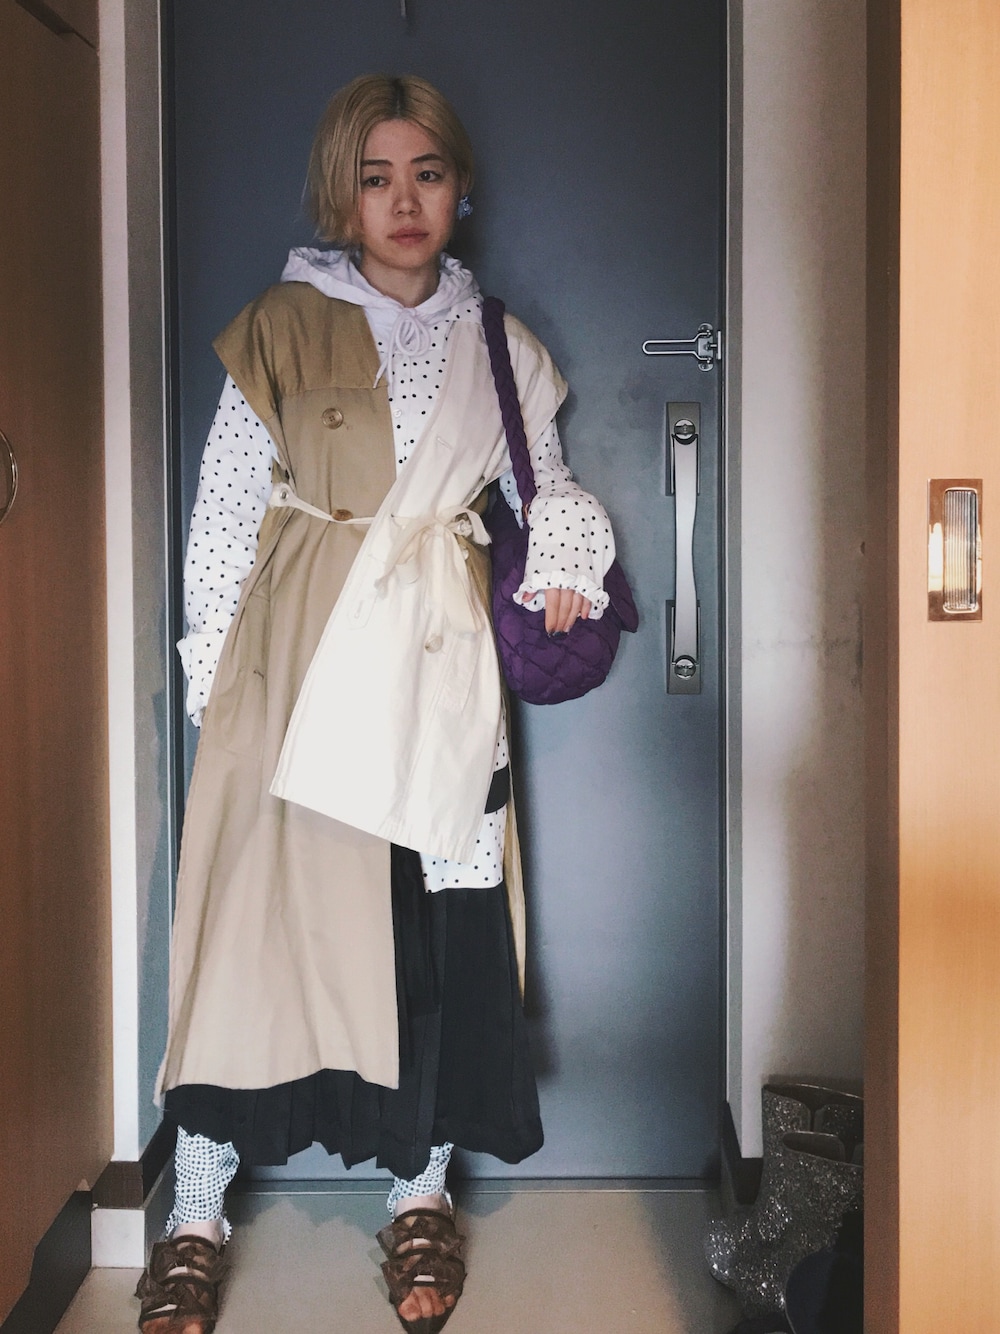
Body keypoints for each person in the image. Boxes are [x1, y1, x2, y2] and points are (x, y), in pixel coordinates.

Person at [136, 73, 617, 1334]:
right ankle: (195, 1212)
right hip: (293, 672)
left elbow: (546, 483)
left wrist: (569, 547)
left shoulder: (500, 345)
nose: (403, 201)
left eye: (427, 175)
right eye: (375, 177)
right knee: (253, 935)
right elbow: (221, 523)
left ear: (461, 192)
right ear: (339, 192)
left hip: (436, 678)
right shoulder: (279, 326)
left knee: (429, 936)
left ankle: (419, 1192)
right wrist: (215, 685)